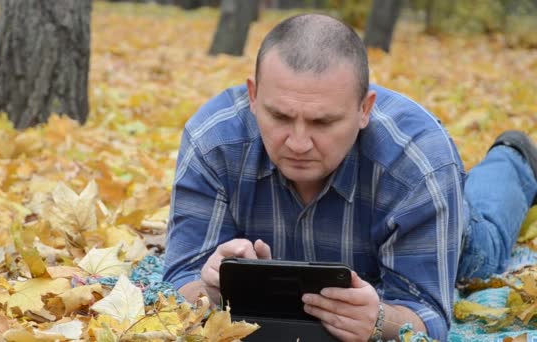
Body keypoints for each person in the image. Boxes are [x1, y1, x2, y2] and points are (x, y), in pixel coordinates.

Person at [163, 13, 537, 341]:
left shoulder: (418, 164)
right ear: (254, 96)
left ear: (364, 109)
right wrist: (209, 290)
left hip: (439, 220)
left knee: (483, 254)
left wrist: (379, 321)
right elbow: (178, 277)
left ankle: (512, 160)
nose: (298, 142)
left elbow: (428, 315)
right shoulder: (212, 142)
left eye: (322, 122)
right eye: (279, 117)